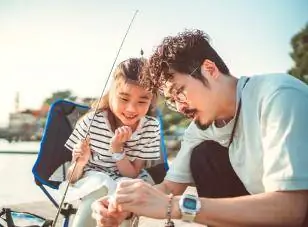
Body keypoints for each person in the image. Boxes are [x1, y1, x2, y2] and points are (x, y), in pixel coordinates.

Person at [91, 29, 308, 227]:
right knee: (205, 155)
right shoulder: (201, 127)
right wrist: (122, 206)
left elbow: (292, 210)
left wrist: (175, 207)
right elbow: (168, 189)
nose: (179, 107)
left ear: (209, 69)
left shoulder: (276, 96)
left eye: (180, 92)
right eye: (172, 101)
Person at [60, 57, 161, 227]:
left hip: (128, 181)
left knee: (122, 200)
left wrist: (117, 150)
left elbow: (131, 175)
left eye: (142, 101)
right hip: (93, 180)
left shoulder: (150, 127)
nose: (131, 109)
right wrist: (80, 163)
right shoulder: (91, 122)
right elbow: (72, 177)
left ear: (151, 101)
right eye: (123, 98)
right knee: (98, 193)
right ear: (111, 93)